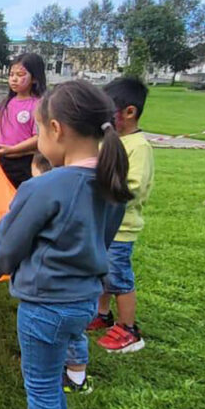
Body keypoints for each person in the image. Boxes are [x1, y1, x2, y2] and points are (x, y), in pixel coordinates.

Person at [0, 81, 130, 409]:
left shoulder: (45, 186)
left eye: (37, 131)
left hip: (46, 303)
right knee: (50, 378)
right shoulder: (111, 183)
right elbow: (103, 239)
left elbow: (11, 241)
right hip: (82, 300)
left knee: (42, 384)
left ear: (56, 129)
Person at [93, 76, 154, 354]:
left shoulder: (138, 146)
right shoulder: (111, 140)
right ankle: (103, 315)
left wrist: (100, 189)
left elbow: (133, 186)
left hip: (121, 228)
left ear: (129, 112)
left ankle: (129, 330)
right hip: (103, 225)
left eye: (110, 112)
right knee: (102, 273)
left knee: (119, 278)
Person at [0, 53, 47, 188]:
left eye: (20, 75)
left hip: (24, 164)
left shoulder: (38, 105)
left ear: (35, 78)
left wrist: (13, 149)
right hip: (0, 161)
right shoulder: (5, 104)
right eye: (11, 74)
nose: (14, 79)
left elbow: (38, 137)